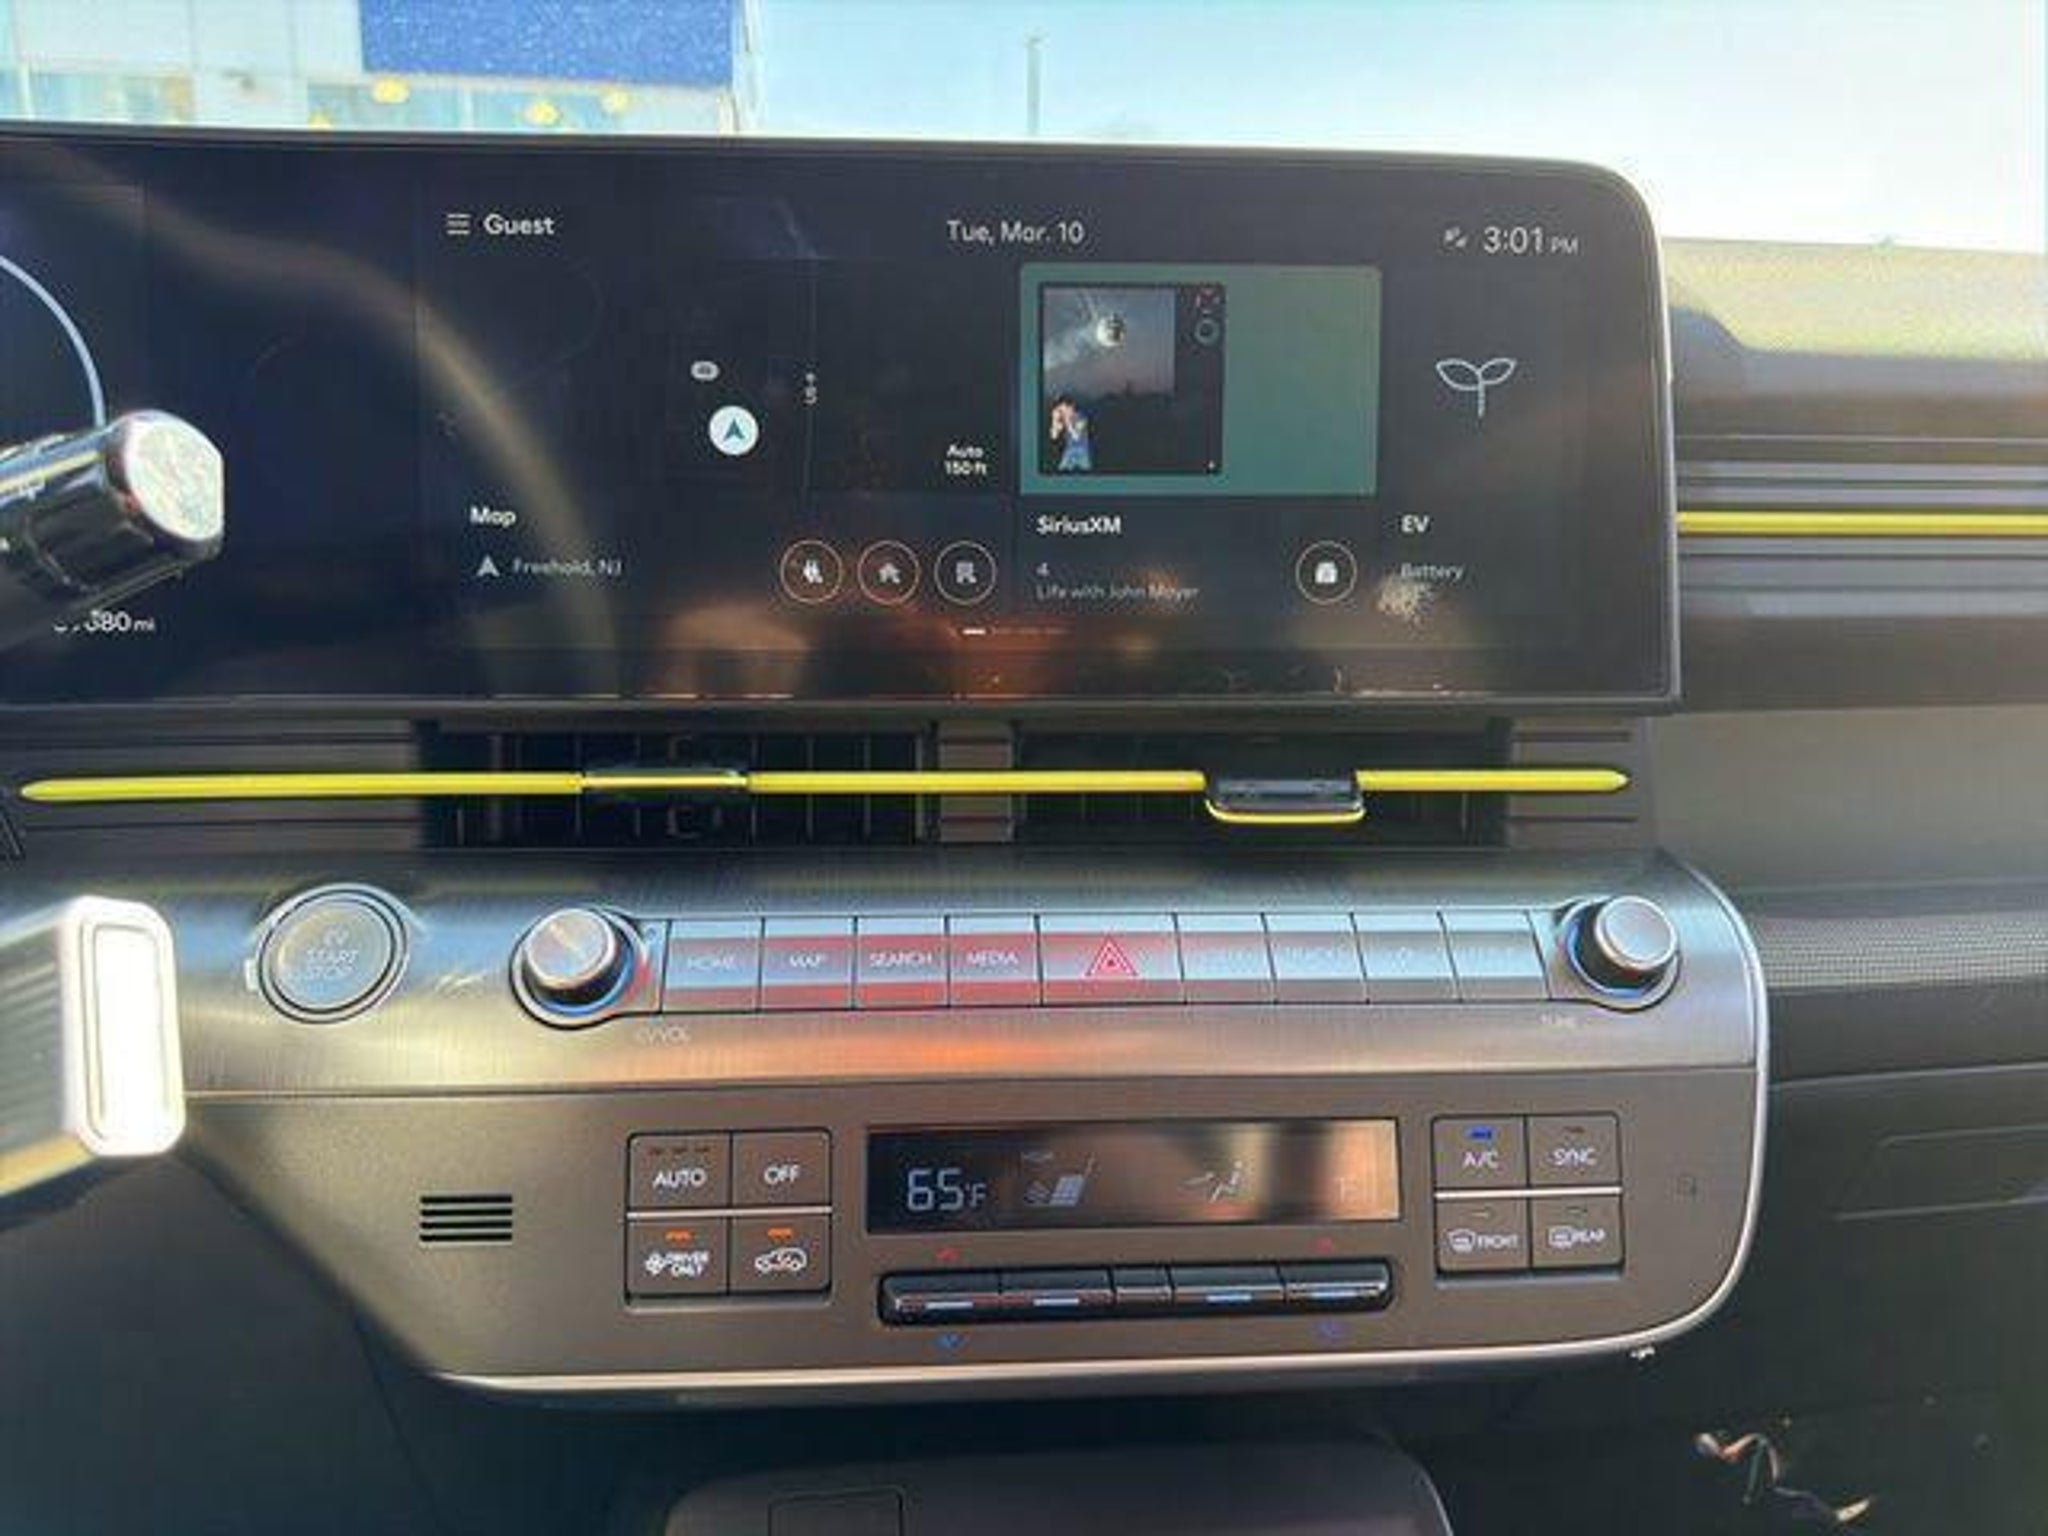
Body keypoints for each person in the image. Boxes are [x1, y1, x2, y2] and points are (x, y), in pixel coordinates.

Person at [1049, 394, 1092, 472]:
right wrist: (1054, 420)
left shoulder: (1081, 417)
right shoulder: (1063, 419)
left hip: (1082, 451)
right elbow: (1054, 437)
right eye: (1061, 410)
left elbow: (1076, 437)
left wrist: (1067, 421)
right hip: (1068, 450)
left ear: (1071, 407)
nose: (1063, 413)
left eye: (1064, 410)